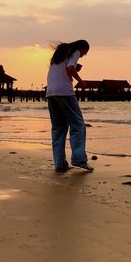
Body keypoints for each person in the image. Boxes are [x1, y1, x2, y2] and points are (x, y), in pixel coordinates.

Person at [46, 39, 94, 172]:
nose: (83, 55)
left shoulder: (59, 54)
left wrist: (74, 68)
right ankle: (79, 159)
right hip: (65, 92)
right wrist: (81, 81)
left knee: (58, 128)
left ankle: (59, 164)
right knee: (78, 125)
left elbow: (64, 69)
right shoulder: (75, 51)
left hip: (51, 93)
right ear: (82, 48)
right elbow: (70, 68)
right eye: (85, 52)